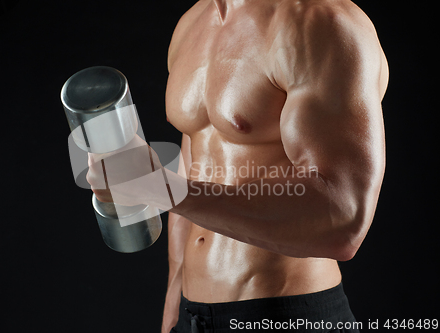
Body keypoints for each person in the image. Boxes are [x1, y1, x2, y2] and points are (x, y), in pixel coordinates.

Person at [88, 0, 388, 332]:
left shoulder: (322, 23)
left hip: (284, 315)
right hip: (193, 315)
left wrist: (162, 190)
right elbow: (196, 167)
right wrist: (174, 303)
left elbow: (343, 218)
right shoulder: (194, 22)